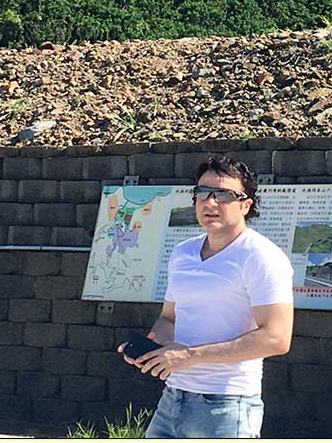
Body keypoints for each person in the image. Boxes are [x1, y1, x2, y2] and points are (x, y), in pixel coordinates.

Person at [118, 156, 294, 438]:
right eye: (201, 193)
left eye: (223, 194)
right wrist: (152, 349)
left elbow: (276, 338)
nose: (210, 203)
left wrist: (188, 356)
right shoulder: (182, 253)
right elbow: (169, 318)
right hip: (173, 396)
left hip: (227, 404)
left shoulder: (261, 256)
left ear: (245, 205)